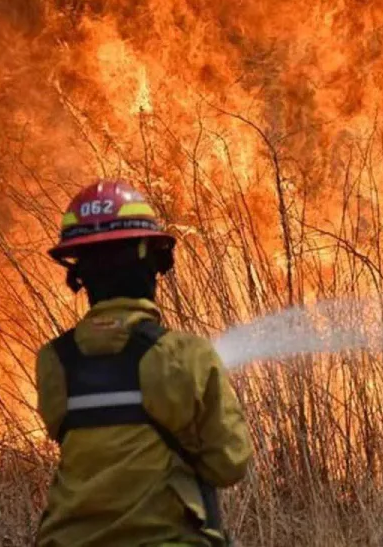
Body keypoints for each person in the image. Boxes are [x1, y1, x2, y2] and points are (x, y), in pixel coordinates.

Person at [35, 180, 253, 547]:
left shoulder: (53, 361)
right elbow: (229, 465)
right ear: (152, 262)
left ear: (79, 274)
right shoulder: (186, 355)